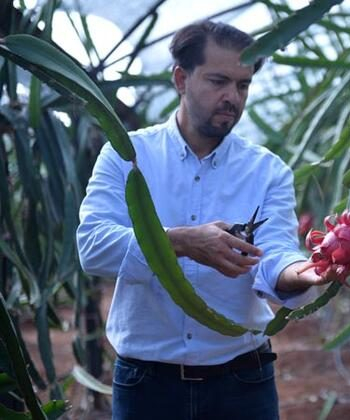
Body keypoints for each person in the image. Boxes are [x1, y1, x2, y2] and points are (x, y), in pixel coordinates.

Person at [76, 20, 333, 420]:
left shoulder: (268, 171)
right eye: (218, 81)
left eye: (243, 85)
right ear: (181, 78)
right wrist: (180, 242)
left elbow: (274, 255)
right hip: (147, 387)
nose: (232, 97)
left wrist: (306, 272)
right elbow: (93, 247)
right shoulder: (126, 156)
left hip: (243, 385)